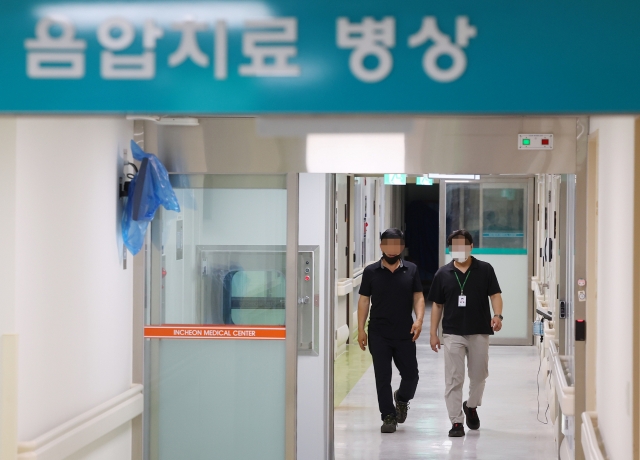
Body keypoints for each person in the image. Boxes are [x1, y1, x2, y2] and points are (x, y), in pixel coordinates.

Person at [427, 229, 504, 437]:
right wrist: (433, 333)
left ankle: (471, 406)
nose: (459, 250)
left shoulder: (485, 269)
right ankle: (456, 422)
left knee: (479, 376)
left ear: (471, 247)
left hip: (479, 330)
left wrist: (498, 315)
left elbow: (495, 295)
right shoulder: (442, 273)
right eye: (455, 246)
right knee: (454, 378)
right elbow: (437, 305)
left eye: (463, 245)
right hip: (453, 332)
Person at [357, 228, 426, 433]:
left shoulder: (411, 269)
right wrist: (361, 329)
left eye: (396, 244)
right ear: (381, 246)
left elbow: (419, 297)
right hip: (379, 332)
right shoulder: (371, 271)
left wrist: (419, 320)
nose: (392, 249)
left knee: (411, 375)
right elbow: (363, 300)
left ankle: (402, 398)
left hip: (405, 332)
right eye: (388, 244)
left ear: (402, 246)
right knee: (382, 376)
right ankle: (388, 415)